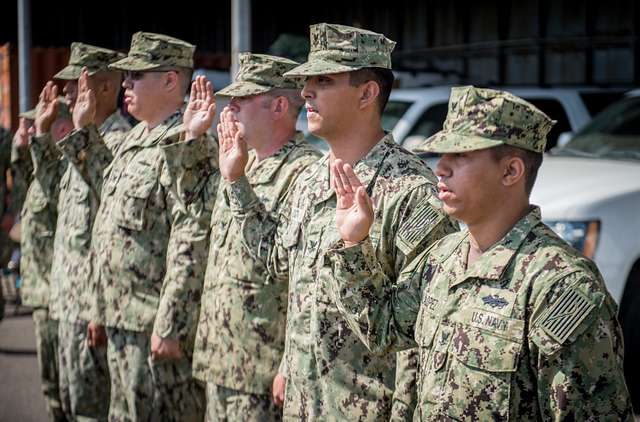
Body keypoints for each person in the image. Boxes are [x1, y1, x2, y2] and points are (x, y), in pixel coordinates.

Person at [328, 85, 635, 420]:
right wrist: (355, 243)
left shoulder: (561, 286)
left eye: (459, 156)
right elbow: (382, 330)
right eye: (442, 155)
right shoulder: (442, 259)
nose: (441, 168)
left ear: (511, 171)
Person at [218, 23, 457, 420]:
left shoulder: (412, 193)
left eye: (324, 80)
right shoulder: (311, 179)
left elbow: (421, 335)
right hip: (301, 405)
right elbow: (280, 263)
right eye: (307, 81)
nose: (306, 92)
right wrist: (236, 181)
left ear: (367, 93)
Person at [74, 31, 218, 421]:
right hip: (119, 314)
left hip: (151, 324)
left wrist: (170, 323)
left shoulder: (187, 144)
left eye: (136, 76)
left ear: (170, 80)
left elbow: (192, 236)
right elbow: (109, 222)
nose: (125, 84)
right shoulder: (135, 136)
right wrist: (97, 307)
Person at [192, 53, 321, 421]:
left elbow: (295, 276)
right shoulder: (241, 162)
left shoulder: (304, 173)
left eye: (242, 100)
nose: (229, 108)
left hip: (261, 370)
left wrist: (286, 365)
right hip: (221, 358)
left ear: (279, 105)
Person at [49, 42, 131, 421]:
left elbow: (110, 226)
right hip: (67, 300)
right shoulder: (84, 142)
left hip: (90, 307)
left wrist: (97, 306)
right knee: (67, 403)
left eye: (75, 83)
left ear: (102, 88)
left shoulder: (118, 143)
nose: (67, 92)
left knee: (91, 410)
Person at [20, 88, 73, 422]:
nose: (31, 132)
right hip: (41, 292)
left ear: (62, 131)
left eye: (40, 126)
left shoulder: (63, 173)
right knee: (51, 387)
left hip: (56, 297)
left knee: (64, 391)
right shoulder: (42, 174)